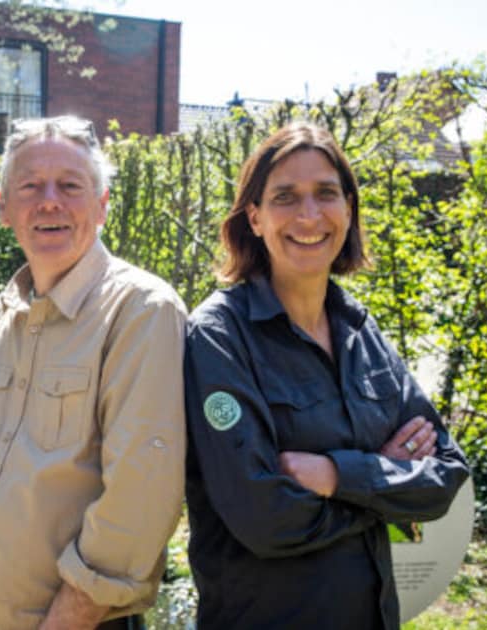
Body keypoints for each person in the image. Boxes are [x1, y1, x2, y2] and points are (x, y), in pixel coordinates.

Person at [183, 122, 471, 629]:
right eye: (285, 197)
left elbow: (445, 477)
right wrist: (381, 487)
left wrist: (337, 476)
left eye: (326, 194)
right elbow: (264, 518)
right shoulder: (218, 336)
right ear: (254, 216)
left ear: (349, 209)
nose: (309, 215)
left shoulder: (361, 329)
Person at [0, 116, 188, 630]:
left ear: (102, 205)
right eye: (29, 186)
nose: (48, 201)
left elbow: (137, 503)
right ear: (5, 207)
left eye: (70, 186)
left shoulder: (141, 310)